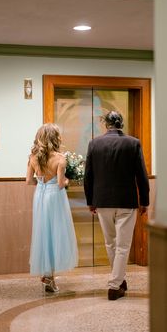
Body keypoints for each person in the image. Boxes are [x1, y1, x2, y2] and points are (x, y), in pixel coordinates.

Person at [84, 111, 149, 300]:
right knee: (123, 245)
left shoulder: (94, 143)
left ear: (106, 124)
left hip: (102, 201)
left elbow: (89, 175)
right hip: (126, 201)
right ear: (122, 123)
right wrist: (144, 200)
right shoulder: (133, 143)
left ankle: (119, 280)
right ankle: (114, 285)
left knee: (110, 243)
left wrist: (90, 201)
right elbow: (141, 175)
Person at [26, 123, 78, 293]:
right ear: (55, 138)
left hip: (40, 196)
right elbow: (62, 184)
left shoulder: (33, 157)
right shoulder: (60, 158)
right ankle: (49, 277)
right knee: (56, 234)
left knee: (43, 234)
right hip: (55, 197)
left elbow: (29, 181)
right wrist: (69, 180)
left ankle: (48, 276)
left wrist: (42, 182)